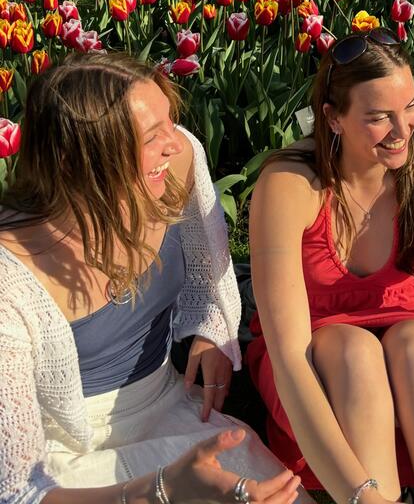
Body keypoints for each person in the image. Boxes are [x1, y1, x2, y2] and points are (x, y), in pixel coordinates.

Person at [0, 52, 310, 504]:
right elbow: (20, 491)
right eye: (151, 136)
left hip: (166, 406)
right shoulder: (13, 275)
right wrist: (162, 489)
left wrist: (210, 328)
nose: (173, 142)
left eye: (169, 121)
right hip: (63, 459)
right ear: (87, 159)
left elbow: (208, 264)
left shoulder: (178, 162)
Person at [247, 28, 414, 504]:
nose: (403, 130)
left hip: (409, 340)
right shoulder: (289, 184)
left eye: (410, 107)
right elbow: (289, 358)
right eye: (378, 118)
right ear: (333, 118)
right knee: (353, 350)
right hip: (317, 357)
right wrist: (362, 497)